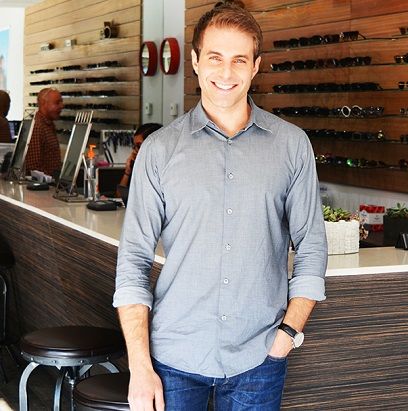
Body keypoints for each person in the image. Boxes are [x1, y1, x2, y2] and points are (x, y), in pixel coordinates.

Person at [113, 1, 327, 410]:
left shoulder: (292, 145)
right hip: (172, 358)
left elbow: (312, 247)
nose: (226, 73)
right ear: (195, 61)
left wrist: (287, 335)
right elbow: (134, 260)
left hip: (260, 356)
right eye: (215, 58)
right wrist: (140, 366)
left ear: (255, 66)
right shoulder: (158, 151)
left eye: (239, 60)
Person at [115, 123, 162, 197]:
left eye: (139, 146)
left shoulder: (161, 169)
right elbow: (120, 196)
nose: (135, 150)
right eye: (134, 146)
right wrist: (127, 172)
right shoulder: (139, 166)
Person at [24, 87, 63, 177]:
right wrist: (50, 180)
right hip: (43, 187)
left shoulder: (48, 125)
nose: (62, 106)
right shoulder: (37, 127)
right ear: (43, 104)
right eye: (57, 102)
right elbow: (33, 166)